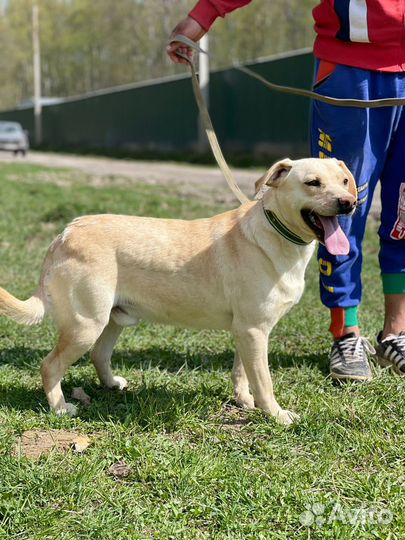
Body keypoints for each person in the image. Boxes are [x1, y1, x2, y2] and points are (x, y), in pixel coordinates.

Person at [167, 0, 405, 382]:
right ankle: (346, 333)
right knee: (337, 204)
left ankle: (396, 332)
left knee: (403, 212)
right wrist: (203, 15)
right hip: (350, 69)